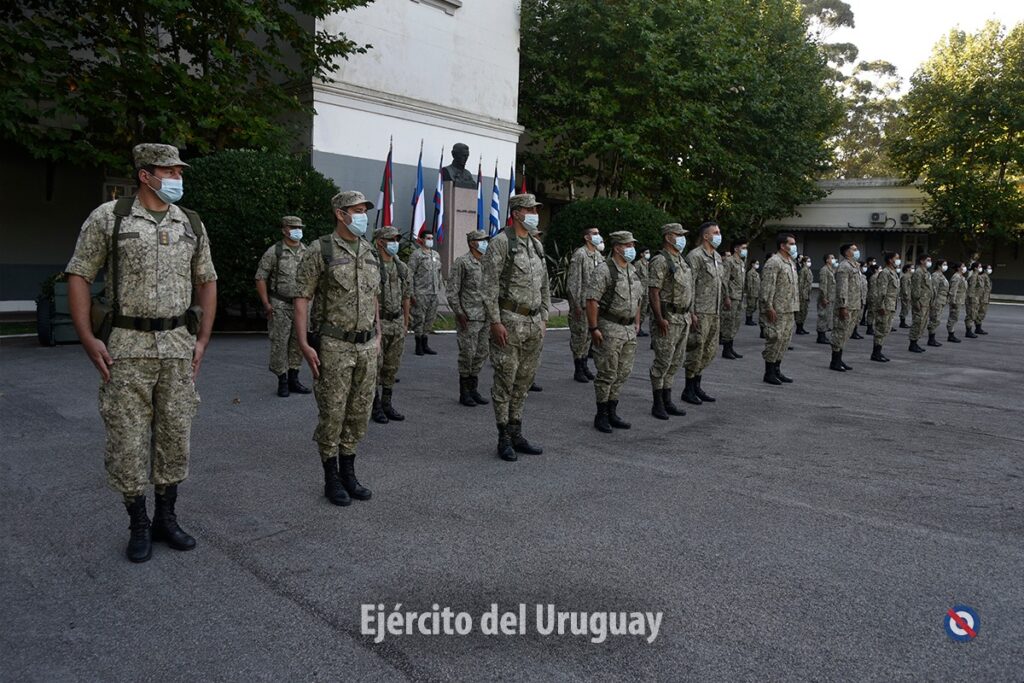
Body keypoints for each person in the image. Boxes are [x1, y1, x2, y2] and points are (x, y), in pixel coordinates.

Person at [65, 143, 217, 563]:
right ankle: (138, 522)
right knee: (127, 439)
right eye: (169, 171)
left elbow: (207, 280)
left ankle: (167, 517)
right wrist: (87, 337)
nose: (177, 179)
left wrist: (202, 339)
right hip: (127, 348)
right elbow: (78, 274)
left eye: (180, 172)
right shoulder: (109, 217)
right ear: (144, 175)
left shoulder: (191, 223)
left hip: (176, 347)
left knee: (174, 435)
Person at [293, 190, 378, 507]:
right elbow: (302, 298)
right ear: (340, 214)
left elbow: (372, 297)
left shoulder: (368, 250)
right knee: (332, 414)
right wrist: (303, 342)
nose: (362, 216)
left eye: (364, 210)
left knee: (358, 413)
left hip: (366, 345)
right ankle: (331, 479)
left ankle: (349, 473)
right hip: (333, 345)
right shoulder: (320, 249)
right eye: (356, 210)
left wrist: (378, 335)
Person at [480, 194, 551, 461]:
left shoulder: (535, 244)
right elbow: (489, 286)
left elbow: (545, 284)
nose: (535, 213)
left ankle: (517, 431)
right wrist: (496, 321)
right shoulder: (500, 243)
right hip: (509, 321)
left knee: (524, 381)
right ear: (518, 212)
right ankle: (503, 437)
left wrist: (543, 317)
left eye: (536, 208)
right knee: (505, 381)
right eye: (531, 209)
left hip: (533, 323)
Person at [587, 232, 643, 432]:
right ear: (618, 247)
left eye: (632, 244)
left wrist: (636, 322)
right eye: (628, 245)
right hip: (610, 327)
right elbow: (592, 300)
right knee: (607, 373)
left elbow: (637, 299)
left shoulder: (632, 270)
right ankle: (601, 414)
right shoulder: (604, 270)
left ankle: (612, 411)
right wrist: (594, 328)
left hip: (628, 329)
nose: (631, 248)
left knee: (623, 372)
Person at [255, 216, 311, 397]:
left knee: (298, 342)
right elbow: (260, 277)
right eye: (293, 227)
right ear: (284, 230)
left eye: (299, 227)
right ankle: (282, 380)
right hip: (280, 304)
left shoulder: (307, 251)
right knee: (280, 342)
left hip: (301, 306)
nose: (297, 230)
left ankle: (294, 378)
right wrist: (266, 303)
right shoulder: (275, 251)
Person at [647, 223, 693, 420]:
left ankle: (667, 399)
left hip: (683, 317)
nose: (682, 238)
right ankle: (657, 403)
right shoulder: (660, 260)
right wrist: (659, 318)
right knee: (663, 361)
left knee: (676, 361)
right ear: (668, 237)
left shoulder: (681, 260)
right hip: (668, 317)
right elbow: (654, 291)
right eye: (678, 234)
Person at [681, 221, 728, 405]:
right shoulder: (695, 256)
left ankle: (697, 385)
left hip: (714, 311)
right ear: (706, 236)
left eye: (719, 231)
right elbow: (689, 285)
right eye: (715, 232)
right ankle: (688, 388)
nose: (719, 234)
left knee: (709, 351)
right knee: (696, 350)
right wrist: (691, 312)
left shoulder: (716, 256)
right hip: (700, 311)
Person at [371, 225, 411, 424]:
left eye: (397, 239)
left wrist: (405, 322)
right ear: (380, 242)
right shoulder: (372, 266)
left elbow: (406, 296)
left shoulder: (401, 267)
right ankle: (375, 405)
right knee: (376, 368)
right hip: (379, 324)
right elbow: (372, 299)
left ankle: (387, 403)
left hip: (396, 323)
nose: (395, 243)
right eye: (391, 239)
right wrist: (375, 328)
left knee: (391, 367)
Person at [449, 229, 491, 407]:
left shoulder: (489, 262)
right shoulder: (462, 262)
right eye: (482, 240)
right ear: (473, 243)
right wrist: (459, 312)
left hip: (486, 316)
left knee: (481, 354)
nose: (485, 243)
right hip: (469, 317)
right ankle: (464, 392)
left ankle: (473, 389)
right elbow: (452, 291)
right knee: (468, 354)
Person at [759, 234, 799, 384]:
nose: (794, 246)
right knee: (774, 340)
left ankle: (777, 369)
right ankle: (768, 372)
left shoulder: (790, 262)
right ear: (783, 246)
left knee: (784, 341)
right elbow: (767, 288)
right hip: (777, 309)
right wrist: (768, 307)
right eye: (792, 243)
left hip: (789, 308)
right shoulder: (774, 262)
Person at [567, 227, 604, 382]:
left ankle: (584, 365)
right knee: (579, 337)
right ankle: (578, 368)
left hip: (594, 305)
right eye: (594, 234)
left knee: (589, 336)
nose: (598, 236)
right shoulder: (580, 254)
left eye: (598, 233)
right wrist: (575, 304)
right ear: (586, 237)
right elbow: (573, 282)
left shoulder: (598, 255)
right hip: (582, 304)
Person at [829, 243, 861, 371]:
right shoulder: (844, 266)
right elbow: (842, 288)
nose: (857, 251)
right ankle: (834, 361)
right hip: (846, 306)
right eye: (854, 249)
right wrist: (843, 306)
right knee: (840, 332)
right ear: (847, 252)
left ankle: (839, 359)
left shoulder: (855, 266)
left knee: (845, 334)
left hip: (854, 305)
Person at [409, 228, 441, 355]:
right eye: (428, 238)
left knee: (429, 319)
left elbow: (438, 274)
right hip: (421, 293)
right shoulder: (416, 255)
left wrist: (439, 289)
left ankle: (425, 343)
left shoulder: (436, 255)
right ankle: (418, 345)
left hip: (434, 293)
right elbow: (410, 275)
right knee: (419, 319)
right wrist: (411, 293)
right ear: (421, 240)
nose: (430, 241)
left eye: (432, 238)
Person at [870, 252, 900, 362]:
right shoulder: (885, 273)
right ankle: (875, 353)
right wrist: (881, 306)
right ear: (890, 260)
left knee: (886, 329)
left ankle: (879, 351)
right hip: (885, 306)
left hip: (891, 305)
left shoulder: (893, 273)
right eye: (896, 258)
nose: (898, 260)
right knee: (881, 329)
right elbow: (881, 291)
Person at [720, 239, 747, 359]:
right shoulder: (729, 261)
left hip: (739, 296)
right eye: (744, 248)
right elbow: (724, 280)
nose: (745, 250)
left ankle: (731, 347)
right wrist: (726, 297)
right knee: (728, 323)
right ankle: (726, 349)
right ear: (736, 249)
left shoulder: (741, 262)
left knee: (735, 323)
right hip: (731, 297)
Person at [908, 253, 932, 353]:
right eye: (928, 260)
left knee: (922, 323)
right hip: (920, 302)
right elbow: (916, 289)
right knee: (917, 323)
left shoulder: (926, 272)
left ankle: (916, 342)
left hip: (926, 302)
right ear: (922, 261)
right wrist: (916, 301)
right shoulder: (918, 272)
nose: (930, 262)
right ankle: (912, 344)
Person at [927, 259, 949, 347]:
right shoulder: (936, 276)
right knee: (934, 319)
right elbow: (934, 290)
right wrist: (933, 303)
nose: (945, 266)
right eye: (944, 264)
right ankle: (931, 339)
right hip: (937, 301)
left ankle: (932, 338)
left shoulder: (941, 275)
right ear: (939, 266)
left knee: (937, 320)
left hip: (941, 300)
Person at [816, 254, 836, 344]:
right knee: (822, 316)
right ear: (827, 260)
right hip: (825, 298)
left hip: (830, 298)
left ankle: (823, 335)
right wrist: (823, 297)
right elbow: (823, 285)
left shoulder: (831, 270)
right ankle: (820, 337)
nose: (834, 259)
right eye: (832, 258)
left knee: (827, 317)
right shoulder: (824, 270)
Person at [946, 262, 967, 343]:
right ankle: (951, 335)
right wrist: (953, 301)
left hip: (959, 300)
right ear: (958, 268)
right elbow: (953, 290)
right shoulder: (956, 277)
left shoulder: (961, 277)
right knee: (953, 317)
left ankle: (951, 333)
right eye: (963, 266)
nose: (965, 267)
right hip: (956, 300)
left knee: (955, 317)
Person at [635, 246, 652, 337]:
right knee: (639, 309)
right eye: (646, 252)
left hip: (646, 290)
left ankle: (640, 327)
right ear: (641, 254)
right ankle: (637, 327)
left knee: (644, 310)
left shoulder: (647, 264)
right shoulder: (638, 264)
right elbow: (636, 277)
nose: (648, 254)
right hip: (640, 290)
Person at [794, 255, 813, 335]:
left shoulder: (808, 270)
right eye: (808, 261)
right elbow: (801, 284)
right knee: (800, 312)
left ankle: (801, 327)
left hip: (807, 294)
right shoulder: (803, 271)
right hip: (802, 294)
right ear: (804, 262)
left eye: (810, 261)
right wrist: (800, 295)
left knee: (804, 311)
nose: (809, 263)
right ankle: (799, 328)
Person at [964, 261, 981, 338]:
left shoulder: (977, 276)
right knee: (970, 315)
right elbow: (971, 289)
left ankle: (970, 330)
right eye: (979, 267)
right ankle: (968, 331)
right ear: (975, 268)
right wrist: (971, 299)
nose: (981, 268)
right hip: (972, 299)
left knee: (973, 315)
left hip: (975, 298)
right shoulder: (974, 276)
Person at [976, 264, 993, 334]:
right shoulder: (982, 277)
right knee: (980, 312)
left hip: (985, 297)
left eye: (990, 268)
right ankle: (978, 328)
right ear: (985, 269)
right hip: (982, 298)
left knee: (982, 313)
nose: (990, 270)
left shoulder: (987, 277)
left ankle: (978, 327)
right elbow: (980, 288)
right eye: (989, 268)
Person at [744, 260, 760, 327]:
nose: (757, 265)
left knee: (754, 307)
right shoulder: (750, 273)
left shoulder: (756, 273)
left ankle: (750, 319)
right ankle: (748, 320)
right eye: (756, 263)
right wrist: (749, 293)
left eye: (758, 263)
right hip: (752, 292)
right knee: (750, 306)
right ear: (752, 264)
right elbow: (749, 284)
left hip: (756, 292)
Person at [898, 263, 913, 328]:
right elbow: (904, 287)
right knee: (905, 308)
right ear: (908, 269)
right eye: (911, 268)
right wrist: (906, 295)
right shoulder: (905, 276)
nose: (913, 269)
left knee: (907, 308)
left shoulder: (910, 276)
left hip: (909, 295)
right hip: (906, 296)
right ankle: (902, 323)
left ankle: (903, 322)